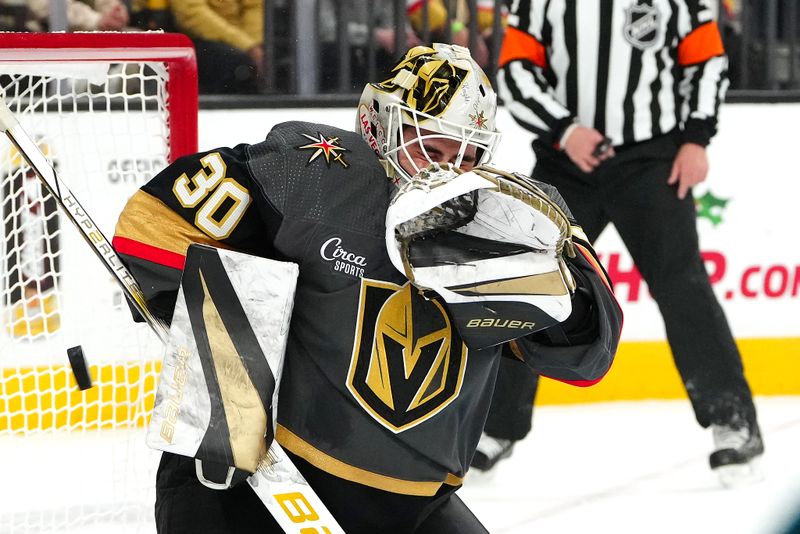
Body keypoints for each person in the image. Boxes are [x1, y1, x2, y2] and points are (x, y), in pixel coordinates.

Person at [112, 43, 622, 532]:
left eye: (466, 157)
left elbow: (585, 358)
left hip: (416, 504)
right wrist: (236, 343)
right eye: (431, 148)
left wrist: (555, 292)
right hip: (267, 482)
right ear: (383, 127)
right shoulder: (313, 174)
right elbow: (152, 224)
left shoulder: (511, 218)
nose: (448, 170)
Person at [479, 0, 764, 484]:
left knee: (683, 288)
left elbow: (708, 63)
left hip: (652, 162)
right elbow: (516, 72)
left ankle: (732, 420)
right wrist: (565, 130)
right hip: (566, 162)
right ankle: (496, 427)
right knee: (525, 286)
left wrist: (698, 137)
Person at [169, 0, 264, 94]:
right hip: (199, 38)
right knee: (236, 62)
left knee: (272, 56)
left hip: (245, 40)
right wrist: (248, 46)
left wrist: (255, 44)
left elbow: (253, 7)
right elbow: (192, 14)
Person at [26, 0, 129, 31]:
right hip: (51, 46)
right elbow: (46, 7)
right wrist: (95, 20)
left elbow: (107, 5)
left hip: (95, 40)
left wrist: (116, 13)